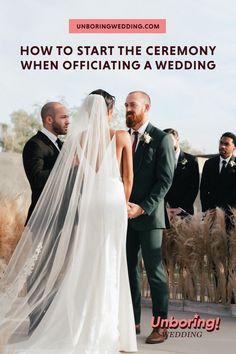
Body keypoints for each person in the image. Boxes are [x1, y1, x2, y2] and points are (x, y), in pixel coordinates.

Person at [0, 91, 137, 354]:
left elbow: (74, 180)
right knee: (110, 260)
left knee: (86, 263)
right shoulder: (120, 136)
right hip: (111, 201)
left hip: (87, 204)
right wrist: (124, 204)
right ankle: (110, 329)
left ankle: (84, 324)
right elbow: (127, 178)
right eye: (63, 116)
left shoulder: (76, 140)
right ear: (109, 111)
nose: (68, 120)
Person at [125, 91, 175, 344]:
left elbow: (165, 181)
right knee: (128, 269)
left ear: (147, 107)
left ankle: (161, 325)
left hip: (149, 217)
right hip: (124, 216)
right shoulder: (124, 137)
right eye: (125, 105)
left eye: (132, 105)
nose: (128, 109)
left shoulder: (161, 138)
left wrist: (142, 208)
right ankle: (132, 321)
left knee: (155, 271)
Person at [200, 131, 236, 303]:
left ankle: (232, 293)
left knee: (231, 257)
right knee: (215, 257)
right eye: (221, 143)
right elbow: (203, 190)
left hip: (231, 220)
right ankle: (218, 291)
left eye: (226, 144)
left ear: (234, 147)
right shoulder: (209, 164)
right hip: (213, 218)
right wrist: (209, 211)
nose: (222, 146)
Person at [23, 101, 69, 224]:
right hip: (43, 219)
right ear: (49, 119)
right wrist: (67, 164)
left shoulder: (61, 145)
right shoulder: (35, 144)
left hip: (62, 218)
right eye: (63, 117)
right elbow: (37, 179)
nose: (68, 121)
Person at [163, 128, 199, 216]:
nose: (167, 144)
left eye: (170, 140)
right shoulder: (160, 160)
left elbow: (193, 188)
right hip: (164, 211)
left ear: (177, 139)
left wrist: (182, 208)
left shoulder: (191, 161)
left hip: (184, 211)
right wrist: (164, 208)